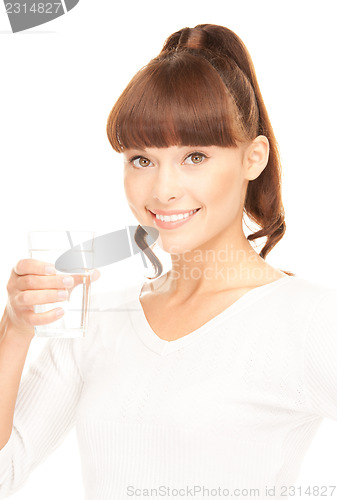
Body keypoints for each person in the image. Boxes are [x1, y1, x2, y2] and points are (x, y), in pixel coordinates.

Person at [1, 23, 336, 500]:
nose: (162, 190)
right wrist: (15, 328)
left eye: (195, 156)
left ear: (253, 158)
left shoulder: (310, 320)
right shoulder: (98, 318)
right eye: (141, 159)